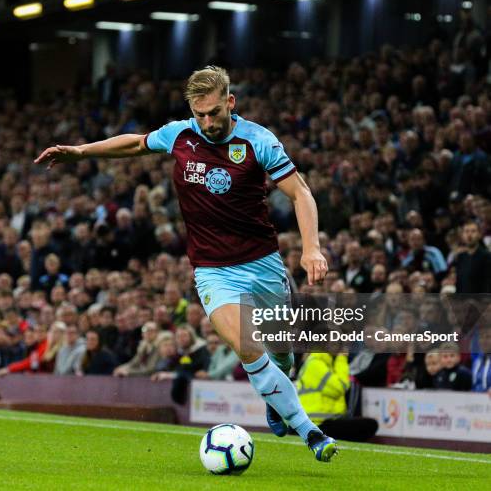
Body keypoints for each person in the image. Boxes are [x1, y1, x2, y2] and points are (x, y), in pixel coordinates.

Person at [36, 66, 337, 461]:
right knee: (248, 346)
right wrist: (80, 151)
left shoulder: (258, 140)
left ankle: (276, 397)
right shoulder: (181, 134)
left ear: (230, 102)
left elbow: (300, 194)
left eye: (214, 112)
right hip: (213, 271)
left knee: (282, 354)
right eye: (200, 114)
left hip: (263, 263)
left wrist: (311, 247)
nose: (207, 122)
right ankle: (310, 432)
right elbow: (136, 144)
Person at [296, 350, 378, 442]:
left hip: (325, 422)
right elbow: (340, 387)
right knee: (368, 425)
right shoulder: (315, 364)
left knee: (369, 425)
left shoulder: (327, 364)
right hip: (316, 424)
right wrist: (342, 358)